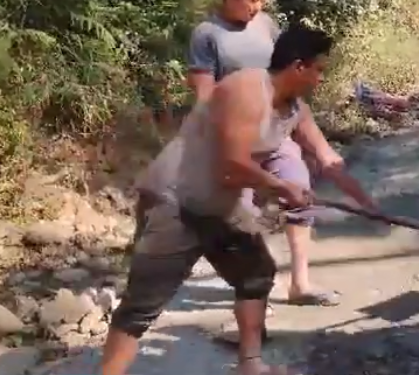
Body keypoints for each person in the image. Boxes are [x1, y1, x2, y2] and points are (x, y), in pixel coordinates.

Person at [99, 25, 378, 375]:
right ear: (298, 66)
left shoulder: (295, 110)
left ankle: (250, 366)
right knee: (141, 307)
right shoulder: (247, 89)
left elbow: (328, 160)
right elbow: (231, 166)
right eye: (318, 70)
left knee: (256, 274)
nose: (321, 79)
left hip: (219, 205)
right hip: (175, 201)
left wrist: (368, 206)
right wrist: (283, 188)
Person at [186, 0, 339, 307]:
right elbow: (204, 92)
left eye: (261, 0)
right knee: (242, 217)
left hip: (275, 132)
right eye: (252, 0)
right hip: (235, 137)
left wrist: (306, 132)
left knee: (298, 189)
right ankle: (253, 293)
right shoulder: (207, 35)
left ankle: (300, 284)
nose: (257, 7)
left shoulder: (266, 26)